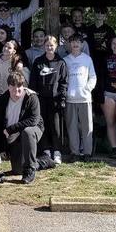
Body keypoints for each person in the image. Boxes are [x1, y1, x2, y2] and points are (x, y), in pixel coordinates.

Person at [0, 72, 44, 184]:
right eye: (14, 89)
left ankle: (30, 170)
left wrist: (10, 129)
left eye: (20, 89)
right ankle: (43, 162)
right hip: (14, 133)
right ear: (9, 87)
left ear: (23, 86)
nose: (17, 93)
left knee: (28, 131)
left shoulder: (32, 97)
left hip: (33, 129)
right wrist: (2, 149)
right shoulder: (1, 101)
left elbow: (33, 120)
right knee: (17, 170)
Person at [30, 35, 68, 164]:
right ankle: (45, 150)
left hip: (55, 99)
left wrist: (62, 98)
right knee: (43, 124)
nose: (49, 47)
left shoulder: (61, 62)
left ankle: (57, 151)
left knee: (55, 126)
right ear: (44, 46)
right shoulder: (38, 61)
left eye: (52, 45)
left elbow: (64, 82)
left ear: (56, 46)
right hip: (41, 99)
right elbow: (33, 81)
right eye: (47, 45)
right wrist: (34, 96)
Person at [63, 34, 96, 160]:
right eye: (72, 42)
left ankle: (87, 152)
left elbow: (92, 77)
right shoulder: (66, 60)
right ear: (69, 44)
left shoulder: (87, 59)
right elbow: (63, 79)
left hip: (84, 98)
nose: (75, 44)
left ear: (82, 44)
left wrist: (87, 89)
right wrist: (66, 93)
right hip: (70, 98)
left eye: (78, 42)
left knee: (87, 126)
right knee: (72, 126)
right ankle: (75, 152)